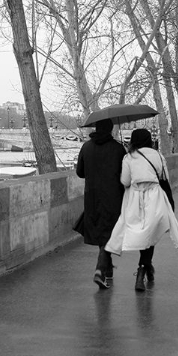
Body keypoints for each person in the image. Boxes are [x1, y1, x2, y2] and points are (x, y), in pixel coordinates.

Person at [105, 128, 178, 291]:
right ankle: (144, 268)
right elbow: (164, 178)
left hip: (135, 199)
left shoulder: (128, 157)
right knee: (150, 232)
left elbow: (124, 181)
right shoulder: (158, 156)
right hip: (155, 197)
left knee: (141, 231)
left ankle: (143, 269)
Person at [76, 118, 126, 289]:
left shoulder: (86, 147)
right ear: (111, 129)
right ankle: (99, 270)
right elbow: (124, 175)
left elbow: (80, 172)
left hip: (92, 196)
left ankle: (108, 270)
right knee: (109, 233)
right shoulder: (118, 148)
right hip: (113, 197)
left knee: (101, 231)